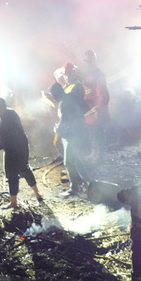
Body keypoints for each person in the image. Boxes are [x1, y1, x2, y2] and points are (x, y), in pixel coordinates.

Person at [0, 97, 42, 209]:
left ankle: (13, 203)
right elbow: (8, 129)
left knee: (12, 175)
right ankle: (38, 194)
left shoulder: (5, 121)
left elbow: (4, 143)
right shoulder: (11, 112)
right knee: (25, 169)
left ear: (2, 107)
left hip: (13, 151)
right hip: (23, 147)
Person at [45, 63, 91, 196]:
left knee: (69, 161)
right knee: (76, 158)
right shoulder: (67, 95)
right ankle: (88, 182)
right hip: (75, 132)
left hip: (73, 134)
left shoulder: (74, 91)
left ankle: (75, 188)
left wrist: (58, 129)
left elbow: (66, 120)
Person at [79, 49, 110, 157]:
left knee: (97, 133)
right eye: (86, 62)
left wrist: (99, 110)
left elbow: (103, 94)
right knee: (92, 133)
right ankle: (94, 153)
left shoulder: (98, 75)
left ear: (94, 61)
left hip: (96, 110)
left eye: (89, 62)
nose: (87, 64)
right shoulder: (87, 74)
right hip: (90, 110)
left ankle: (99, 155)